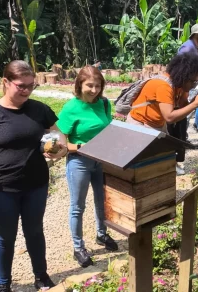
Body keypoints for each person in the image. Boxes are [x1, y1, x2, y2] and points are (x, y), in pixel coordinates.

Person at [0, 60, 68, 292]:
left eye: (31, 86)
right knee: (5, 236)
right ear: (5, 82)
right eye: (21, 85)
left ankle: (41, 276)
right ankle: (3, 283)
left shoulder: (39, 109)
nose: (26, 90)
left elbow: (58, 134)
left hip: (36, 183)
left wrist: (60, 147)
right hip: (2, 186)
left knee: (34, 231)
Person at [57, 66, 118, 268]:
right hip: (79, 162)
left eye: (97, 86)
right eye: (89, 85)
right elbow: (62, 145)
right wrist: (83, 146)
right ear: (80, 84)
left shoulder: (104, 103)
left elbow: (109, 130)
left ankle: (102, 234)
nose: (94, 90)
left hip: (101, 161)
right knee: (77, 206)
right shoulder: (70, 108)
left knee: (102, 201)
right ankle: (78, 247)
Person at [127, 53, 198, 174]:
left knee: (162, 157)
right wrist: (195, 104)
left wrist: (195, 99)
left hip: (157, 124)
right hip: (140, 124)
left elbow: (182, 107)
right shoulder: (163, 86)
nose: (193, 85)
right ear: (183, 76)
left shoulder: (180, 85)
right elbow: (170, 117)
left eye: (196, 82)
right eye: (192, 81)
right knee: (145, 165)